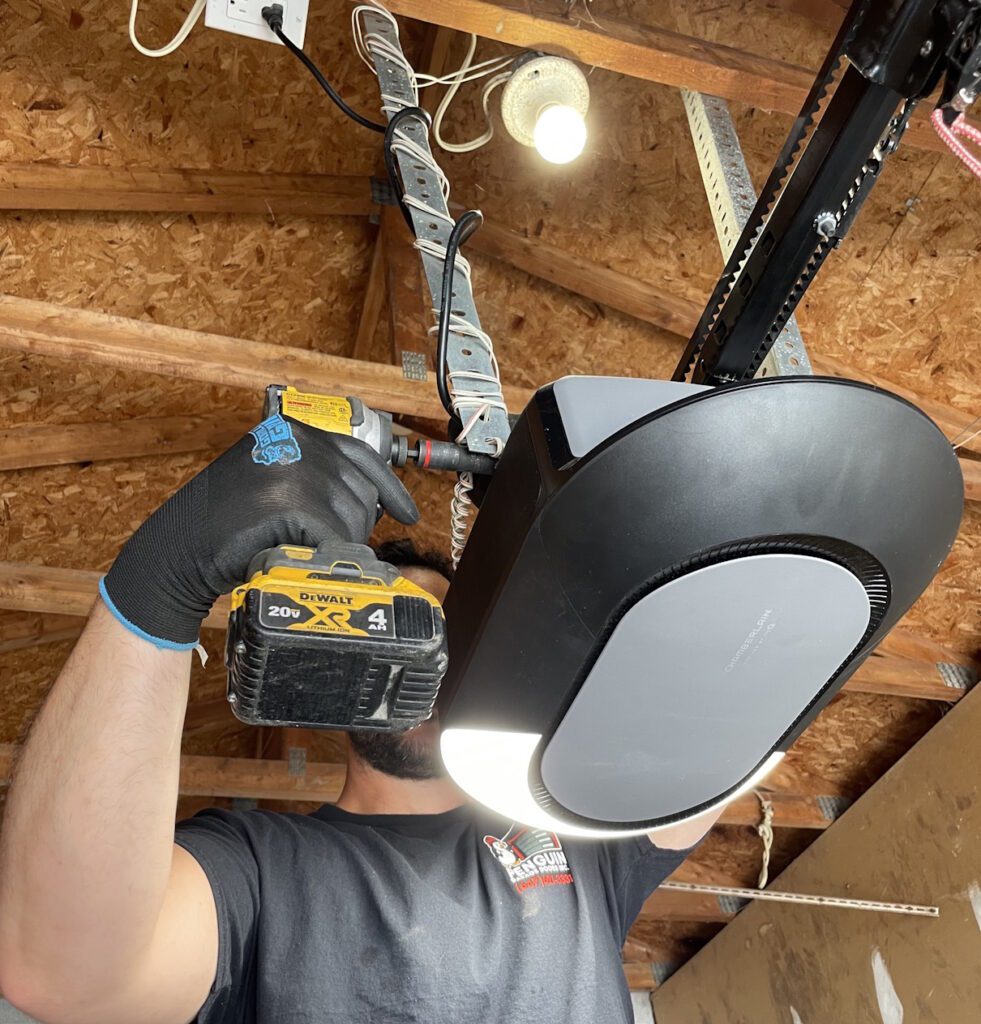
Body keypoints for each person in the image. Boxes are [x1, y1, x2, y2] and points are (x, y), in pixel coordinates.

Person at [0, 416, 720, 1024]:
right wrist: (157, 585)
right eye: (389, 626)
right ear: (329, 666)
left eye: (443, 632)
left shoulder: (576, 831)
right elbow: (58, 966)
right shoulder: (256, 866)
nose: (421, 656)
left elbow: (721, 733)